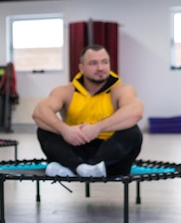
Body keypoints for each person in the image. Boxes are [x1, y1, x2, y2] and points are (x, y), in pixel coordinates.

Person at [32, 44, 144, 177]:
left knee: (133, 132)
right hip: (75, 151)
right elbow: (39, 112)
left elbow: (136, 111)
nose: (100, 68)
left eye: (105, 62)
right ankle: (79, 168)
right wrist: (64, 129)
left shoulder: (121, 90)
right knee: (45, 129)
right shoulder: (67, 91)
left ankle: (83, 169)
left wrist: (98, 128)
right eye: (93, 63)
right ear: (81, 68)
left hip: (109, 159)